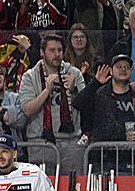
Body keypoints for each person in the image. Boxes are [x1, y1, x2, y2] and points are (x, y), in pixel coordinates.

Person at [18, 34, 86, 173]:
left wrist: (73, 91)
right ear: (42, 52)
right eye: (52, 50)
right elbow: (27, 110)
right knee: (42, 190)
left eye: (60, 50)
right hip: (40, 142)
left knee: (73, 190)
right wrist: (46, 90)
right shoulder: (30, 76)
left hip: (71, 143)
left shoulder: (74, 73)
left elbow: (86, 107)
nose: (57, 54)